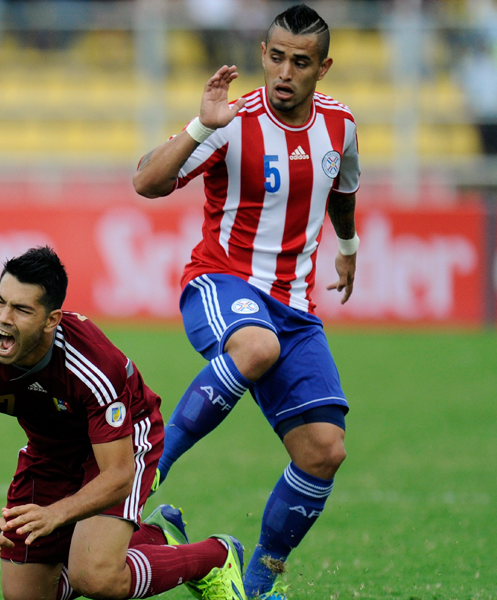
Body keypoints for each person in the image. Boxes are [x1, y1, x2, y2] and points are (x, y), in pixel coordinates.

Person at [133, 4, 358, 599]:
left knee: (324, 451)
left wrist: (349, 245)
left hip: (296, 309)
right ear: (263, 54)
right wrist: (202, 126)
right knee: (255, 344)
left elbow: (344, 184)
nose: (285, 72)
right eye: (277, 57)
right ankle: (153, 462)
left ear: (323, 67)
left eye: (301, 62)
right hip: (222, 282)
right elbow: (145, 182)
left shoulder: (341, 125)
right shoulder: (231, 121)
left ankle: (258, 581)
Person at [0, 246, 247, 600]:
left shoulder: (94, 364)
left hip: (123, 443)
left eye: (21, 309)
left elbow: (118, 475)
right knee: (25, 596)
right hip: (49, 450)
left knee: (95, 578)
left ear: (52, 320)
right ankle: (155, 535)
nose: (3, 318)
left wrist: (57, 513)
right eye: (0, 301)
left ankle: (216, 557)